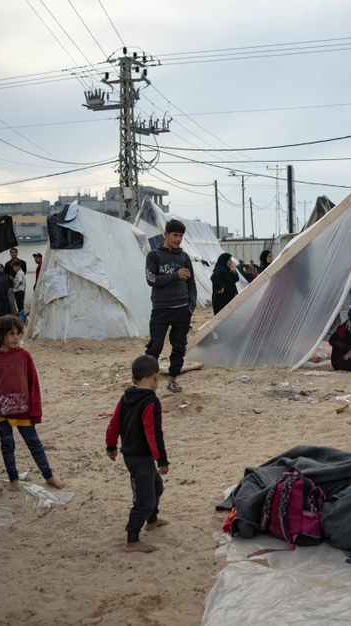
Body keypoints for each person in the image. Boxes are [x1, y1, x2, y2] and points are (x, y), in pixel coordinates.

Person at [0, 316, 64, 492]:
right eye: (11, 334)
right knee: (7, 445)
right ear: (1, 335)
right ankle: (13, 480)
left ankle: (48, 476)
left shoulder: (24, 356)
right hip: (1, 413)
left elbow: (33, 384)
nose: (15, 338)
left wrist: (35, 411)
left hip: (23, 411)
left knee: (34, 444)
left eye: (18, 333)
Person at [106, 355, 170, 553]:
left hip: (139, 456)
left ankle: (151, 520)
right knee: (144, 500)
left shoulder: (126, 397)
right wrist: (162, 459)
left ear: (134, 379)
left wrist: (111, 445)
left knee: (156, 487)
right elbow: (154, 433)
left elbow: (113, 423)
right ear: (156, 376)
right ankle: (132, 539)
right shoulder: (151, 402)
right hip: (138, 457)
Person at [145, 219, 197, 394]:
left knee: (179, 346)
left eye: (181, 235)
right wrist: (175, 275)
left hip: (182, 309)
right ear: (166, 234)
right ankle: (148, 380)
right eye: (175, 235)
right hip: (161, 308)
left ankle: (173, 379)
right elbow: (151, 280)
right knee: (155, 346)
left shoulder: (184, 257)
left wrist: (191, 305)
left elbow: (192, 284)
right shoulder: (154, 256)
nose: (178, 239)